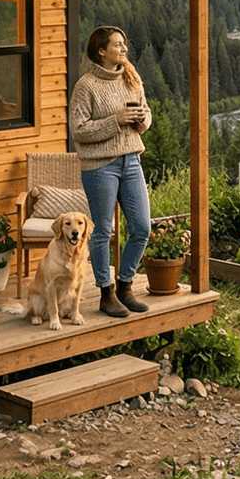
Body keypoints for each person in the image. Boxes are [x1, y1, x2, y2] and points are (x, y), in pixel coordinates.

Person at [69, 25, 153, 318]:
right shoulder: (86, 86)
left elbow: (146, 113)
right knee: (103, 232)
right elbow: (78, 131)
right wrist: (115, 120)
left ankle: (125, 285)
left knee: (142, 227)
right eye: (118, 45)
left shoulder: (132, 78)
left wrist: (142, 119)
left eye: (124, 44)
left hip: (131, 160)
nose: (124, 49)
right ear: (101, 51)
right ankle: (106, 293)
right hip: (100, 166)